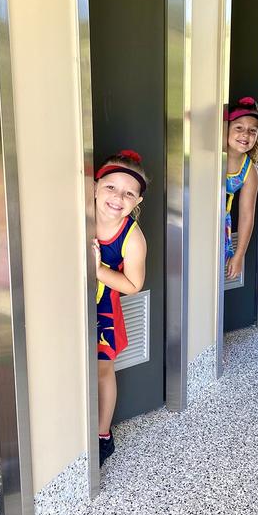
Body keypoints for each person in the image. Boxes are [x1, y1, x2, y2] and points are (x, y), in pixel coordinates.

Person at [92, 150, 147, 467]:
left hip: (105, 312)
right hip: (69, 308)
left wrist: (97, 269)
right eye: (111, 187)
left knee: (102, 370)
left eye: (128, 193)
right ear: (96, 186)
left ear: (137, 201)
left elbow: (133, 284)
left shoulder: (132, 237)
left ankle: (102, 434)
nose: (118, 197)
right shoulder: (80, 214)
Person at [224, 97, 258, 281]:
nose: (245, 135)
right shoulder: (210, 153)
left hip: (220, 228)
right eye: (239, 128)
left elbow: (247, 215)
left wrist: (239, 255)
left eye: (252, 131)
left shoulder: (250, 171)